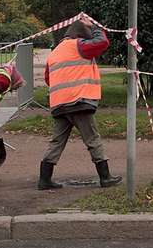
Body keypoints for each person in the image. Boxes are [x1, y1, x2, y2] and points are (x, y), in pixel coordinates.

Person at [38, 18, 122, 190]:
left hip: (59, 105)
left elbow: (49, 79)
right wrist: (96, 27)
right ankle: (105, 177)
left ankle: (44, 179)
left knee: (56, 142)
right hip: (78, 101)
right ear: (81, 35)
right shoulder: (80, 45)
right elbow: (102, 42)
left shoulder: (54, 53)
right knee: (93, 139)